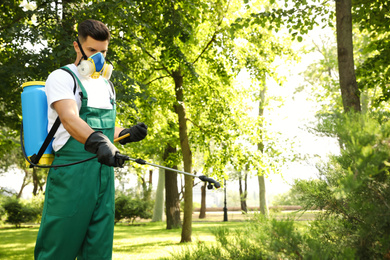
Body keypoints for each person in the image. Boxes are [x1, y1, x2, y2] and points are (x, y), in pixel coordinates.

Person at [34, 19, 147, 260]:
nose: (99, 58)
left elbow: (103, 130)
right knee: (59, 248)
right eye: (93, 51)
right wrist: (100, 142)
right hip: (72, 174)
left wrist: (125, 133)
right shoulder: (62, 77)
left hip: (104, 172)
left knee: (99, 249)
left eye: (103, 52)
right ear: (78, 47)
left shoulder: (106, 85)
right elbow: (70, 119)